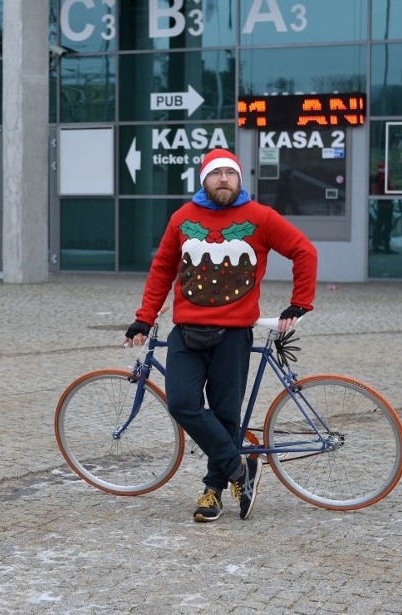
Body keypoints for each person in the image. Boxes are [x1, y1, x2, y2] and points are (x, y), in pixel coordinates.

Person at [122, 148, 317, 523]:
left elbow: (303, 251)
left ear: (240, 179)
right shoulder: (183, 218)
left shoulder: (259, 217)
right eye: (216, 173)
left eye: (230, 172)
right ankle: (240, 469)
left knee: (227, 415)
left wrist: (300, 303)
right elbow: (162, 268)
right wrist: (143, 319)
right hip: (187, 333)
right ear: (203, 179)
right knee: (182, 404)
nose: (224, 178)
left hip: (234, 335)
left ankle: (213, 491)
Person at [370, 162, 395, 254]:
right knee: (387, 226)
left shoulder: (378, 177)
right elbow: (387, 190)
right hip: (386, 205)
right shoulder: (384, 178)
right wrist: (394, 189)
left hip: (380, 204)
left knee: (379, 225)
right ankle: (386, 246)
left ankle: (376, 245)